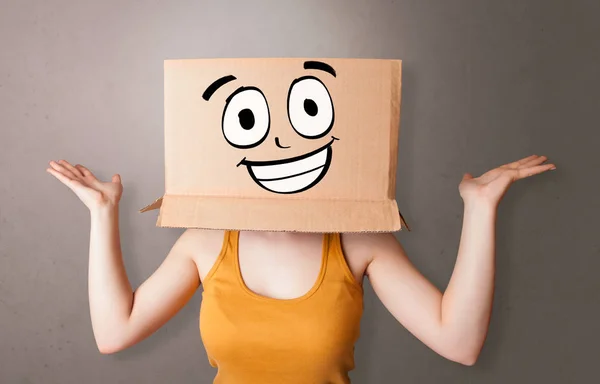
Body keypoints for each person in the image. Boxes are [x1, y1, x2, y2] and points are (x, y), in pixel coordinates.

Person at [46, 155, 555, 383]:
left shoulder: (356, 239)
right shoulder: (206, 239)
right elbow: (115, 331)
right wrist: (102, 212)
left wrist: (481, 207)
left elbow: (459, 342)